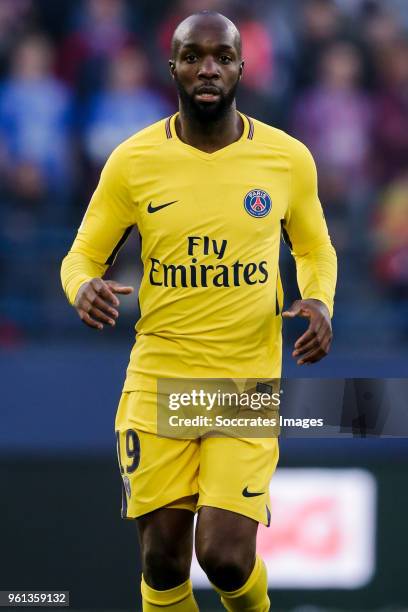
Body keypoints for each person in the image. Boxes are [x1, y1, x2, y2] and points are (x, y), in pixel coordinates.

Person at [61, 11, 337, 611]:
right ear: (174, 69)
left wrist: (318, 299)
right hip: (159, 377)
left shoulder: (286, 159)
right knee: (162, 561)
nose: (207, 67)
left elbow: (314, 246)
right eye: (193, 56)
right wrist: (82, 287)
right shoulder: (133, 162)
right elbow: (81, 256)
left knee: (226, 555)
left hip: (243, 380)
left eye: (221, 56)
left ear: (242, 66)